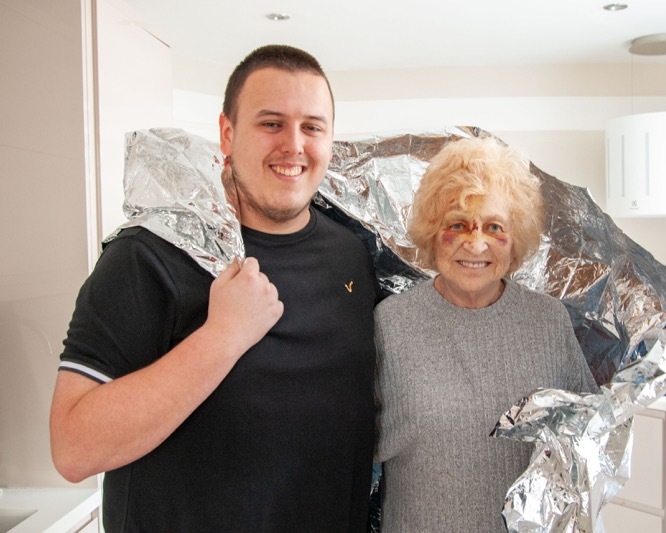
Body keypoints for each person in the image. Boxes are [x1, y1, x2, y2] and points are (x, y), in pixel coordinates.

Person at [49, 45, 378, 532]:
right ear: (227, 133)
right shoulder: (149, 256)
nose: (294, 145)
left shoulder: (355, 254)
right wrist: (222, 337)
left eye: (312, 126)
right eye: (271, 123)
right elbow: (73, 448)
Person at [373, 137, 600, 532]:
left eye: (495, 227)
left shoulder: (548, 323)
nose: (475, 244)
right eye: (457, 224)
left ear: (516, 238)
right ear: (432, 230)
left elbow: (583, 446)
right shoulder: (391, 324)